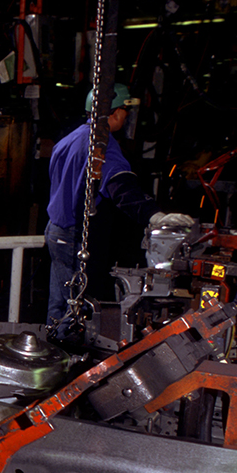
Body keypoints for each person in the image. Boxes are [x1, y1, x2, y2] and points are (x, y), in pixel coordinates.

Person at [45, 83, 193, 334]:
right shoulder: (101, 146)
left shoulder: (68, 140)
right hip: (73, 236)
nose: (126, 117)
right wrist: (154, 216)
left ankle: (53, 351)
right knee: (74, 308)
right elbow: (121, 187)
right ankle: (67, 360)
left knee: (60, 303)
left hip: (56, 232)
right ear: (113, 113)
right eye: (125, 111)